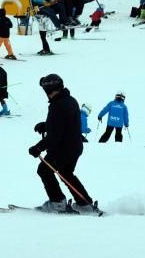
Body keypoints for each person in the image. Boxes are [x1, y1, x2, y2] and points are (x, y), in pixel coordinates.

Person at [28, 74, 97, 213]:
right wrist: (46, 125)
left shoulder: (57, 105)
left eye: (46, 91)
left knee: (44, 170)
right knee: (66, 173)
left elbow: (55, 136)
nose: (46, 94)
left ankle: (57, 202)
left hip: (62, 149)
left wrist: (38, 148)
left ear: (51, 90)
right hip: (75, 146)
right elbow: (64, 123)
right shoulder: (70, 100)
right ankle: (84, 203)